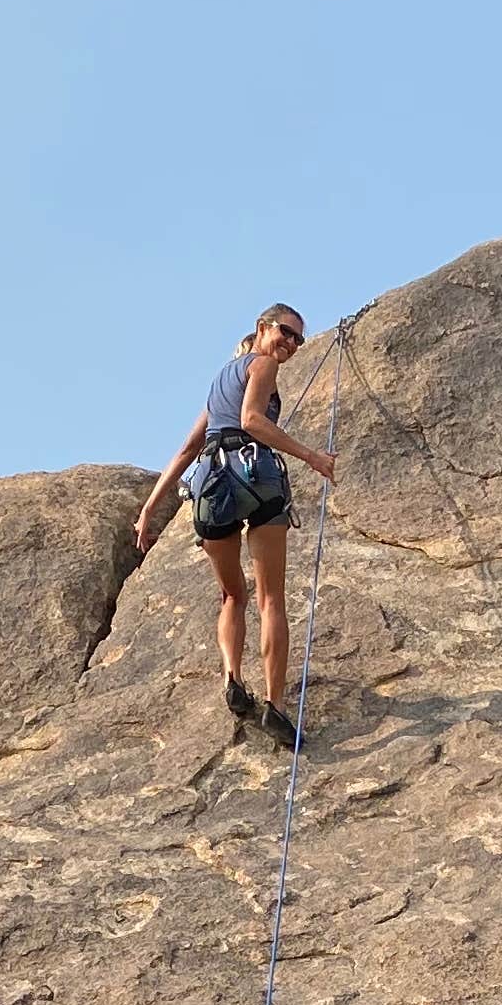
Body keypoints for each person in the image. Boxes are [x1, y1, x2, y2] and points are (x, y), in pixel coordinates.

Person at [133, 304, 338, 735]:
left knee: (232, 596)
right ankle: (276, 706)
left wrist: (150, 508)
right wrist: (313, 457)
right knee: (271, 600)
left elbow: (187, 449)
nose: (292, 344)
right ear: (262, 329)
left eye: (298, 339)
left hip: (212, 484)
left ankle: (232, 677)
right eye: (286, 332)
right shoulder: (262, 365)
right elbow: (251, 422)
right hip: (255, 477)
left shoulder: (217, 386)